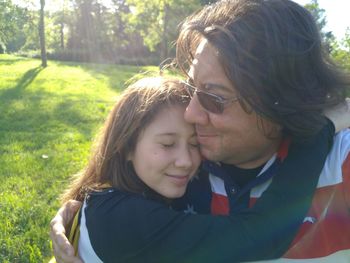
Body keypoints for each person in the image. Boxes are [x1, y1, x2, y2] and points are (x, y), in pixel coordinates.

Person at [51, 0, 350, 262]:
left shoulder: (342, 162)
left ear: (280, 101)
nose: (190, 114)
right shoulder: (167, 183)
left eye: (213, 97)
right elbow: (258, 236)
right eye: (192, 88)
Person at [51, 76, 334, 263]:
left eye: (194, 143)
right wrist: (317, 134)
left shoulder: (139, 190)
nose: (186, 161)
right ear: (126, 147)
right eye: (167, 144)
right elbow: (259, 237)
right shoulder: (121, 219)